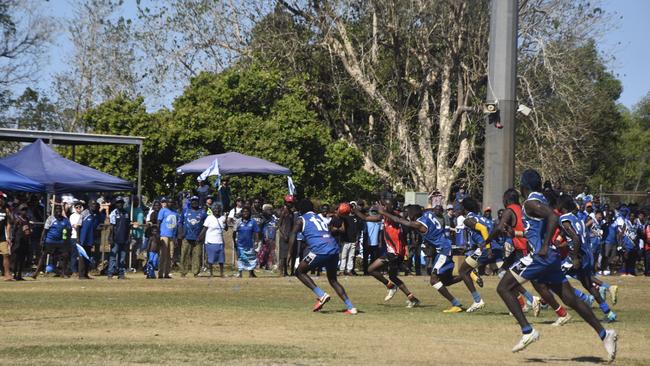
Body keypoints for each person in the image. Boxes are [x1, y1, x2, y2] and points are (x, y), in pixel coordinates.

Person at [495, 169, 616, 361]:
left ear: (522, 186)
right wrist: (514, 233)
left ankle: (528, 331)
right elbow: (536, 230)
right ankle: (604, 333)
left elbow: (553, 217)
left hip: (539, 257)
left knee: (503, 287)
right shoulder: (539, 199)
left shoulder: (530, 203)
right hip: (550, 257)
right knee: (571, 299)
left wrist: (543, 246)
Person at [382, 204, 462, 311]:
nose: (407, 214)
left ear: (413, 214)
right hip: (444, 247)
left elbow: (401, 221)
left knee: (434, 280)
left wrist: (383, 212)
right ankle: (467, 274)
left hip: (443, 249)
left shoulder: (419, 224)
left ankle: (456, 304)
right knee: (446, 280)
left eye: (408, 212)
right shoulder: (428, 214)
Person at [288, 199, 357, 314]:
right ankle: (351, 307)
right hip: (333, 248)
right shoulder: (320, 217)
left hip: (319, 249)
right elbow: (329, 230)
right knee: (333, 280)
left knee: (299, 272)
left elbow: (293, 235)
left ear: (301, 210)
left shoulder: (301, 220)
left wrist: (290, 253)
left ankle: (321, 295)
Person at [556, 194, 617, 323]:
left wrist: (573, 257)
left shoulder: (563, 219)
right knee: (588, 284)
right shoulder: (577, 219)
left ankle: (582, 298)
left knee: (553, 277)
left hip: (579, 255)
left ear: (562, 205)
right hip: (587, 255)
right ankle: (609, 313)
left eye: (558, 203)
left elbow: (576, 238)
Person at [354, 198, 420, 308]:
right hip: (393, 252)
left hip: (396, 252)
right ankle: (412, 298)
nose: (383, 207)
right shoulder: (384, 216)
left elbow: (395, 219)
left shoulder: (397, 216)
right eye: (383, 206)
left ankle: (391, 287)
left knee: (371, 269)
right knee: (393, 277)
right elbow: (366, 218)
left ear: (391, 207)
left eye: (385, 206)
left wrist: (382, 211)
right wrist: (355, 210)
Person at [456, 197, 503, 312]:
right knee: (505, 274)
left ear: (465, 208)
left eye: (461, 207)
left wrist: (487, 248)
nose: (459, 209)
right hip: (497, 247)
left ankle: (477, 301)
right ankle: (530, 299)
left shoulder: (468, 219)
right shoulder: (483, 218)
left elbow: (482, 230)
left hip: (487, 249)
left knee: (463, 271)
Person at [33, 204, 71, 279]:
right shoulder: (50, 219)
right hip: (50, 241)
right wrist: (42, 240)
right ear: (54, 211)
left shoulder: (65, 220)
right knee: (43, 256)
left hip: (61, 242)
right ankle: (36, 272)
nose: (58, 211)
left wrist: (67, 236)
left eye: (60, 209)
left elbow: (69, 229)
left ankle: (63, 273)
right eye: (57, 209)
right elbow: (45, 230)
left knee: (65, 255)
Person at [179, 196, 206, 277]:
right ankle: (183, 272)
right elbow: (180, 222)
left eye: (196, 201)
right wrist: (181, 233)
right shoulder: (185, 211)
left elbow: (206, 224)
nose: (194, 202)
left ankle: (195, 272)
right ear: (190, 202)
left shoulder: (202, 212)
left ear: (198, 202)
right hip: (186, 237)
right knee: (184, 254)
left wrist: (201, 236)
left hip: (198, 238)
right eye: (193, 201)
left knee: (197, 255)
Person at [200, 204, 228, 277]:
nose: (217, 210)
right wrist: (199, 237)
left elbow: (226, 228)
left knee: (221, 259)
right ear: (212, 210)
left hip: (220, 241)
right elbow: (204, 229)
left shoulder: (222, 218)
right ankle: (211, 273)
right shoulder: (209, 218)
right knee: (210, 259)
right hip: (210, 242)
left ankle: (221, 273)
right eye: (215, 209)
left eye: (218, 209)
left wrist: (226, 221)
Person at [108, 198, 131, 279]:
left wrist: (128, 237)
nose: (120, 204)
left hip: (124, 238)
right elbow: (112, 227)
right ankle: (110, 273)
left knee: (122, 258)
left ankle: (121, 274)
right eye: (118, 203)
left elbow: (128, 226)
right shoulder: (113, 213)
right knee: (113, 257)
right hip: (115, 238)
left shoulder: (126, 213)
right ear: (116, 204)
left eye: (121, 203)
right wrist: (111, 238)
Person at [234, 206, 260, 278]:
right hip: (240, 244)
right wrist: (234, 242)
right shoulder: (238, 222)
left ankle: (251, 273)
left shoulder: (253, 222)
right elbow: (234, 232)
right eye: (244, 212)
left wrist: (256, 241)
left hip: (250, 244)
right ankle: (240, 273)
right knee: (240, 258)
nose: (245, 213)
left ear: (250, 213)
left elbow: (256, 232)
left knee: (251, 258)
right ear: (241, 213)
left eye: (247, 211)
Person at [77, 201, 100, 279]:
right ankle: (81, 275)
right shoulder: (85, 213)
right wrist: (78, 238)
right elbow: (78, 226)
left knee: (87, 257)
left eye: (96, 205)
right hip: (83, 239)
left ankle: (86, 274)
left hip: (90, 240)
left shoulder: (97, 215)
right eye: (93, 204)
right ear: (89, 205)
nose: (94, 206)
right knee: (82, 257)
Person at [158, 199, 179, 279]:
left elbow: (176, 226)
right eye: (169, 202)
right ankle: (160, 273)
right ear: (166, 203)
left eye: (172, 202)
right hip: (164, 235)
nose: (170, 203)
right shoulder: (163, 211)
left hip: (172, 236)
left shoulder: (175, 213)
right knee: (163, 254)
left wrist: (175, 237)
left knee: (170, 255)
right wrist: (158, 234)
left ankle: (167, 273)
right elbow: (159, 222)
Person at [338, 203, 360, 276]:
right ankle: (342, 270)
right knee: (343, 256)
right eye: (351, 207)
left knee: (351, 256)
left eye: (354, 207)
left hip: (353, 240)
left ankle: (349, 270)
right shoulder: (345, 217)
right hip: (345, 240)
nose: (352, 209)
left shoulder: (356, 218)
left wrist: (357, 239)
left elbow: (357, 230)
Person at [11, 204, 31, 280]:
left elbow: (28, 229)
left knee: (22, 259)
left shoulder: (27, 219)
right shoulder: (18, 220)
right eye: (23, 210)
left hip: (25, 241)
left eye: (26, 210)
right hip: (18, 241)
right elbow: (14, 230)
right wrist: (13, 239)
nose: (25, 211)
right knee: (16, 258)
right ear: (20, 211)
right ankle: (14, 274)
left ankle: (19, 274)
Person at [277, 195, 295, 276]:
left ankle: (286, 271)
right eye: (288, 202)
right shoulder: (283, 211)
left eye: (291, 203)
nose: (289, 204)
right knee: (282, 255)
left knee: (289, 254)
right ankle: (281, 271)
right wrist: (284, 235)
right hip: (284, 235)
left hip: (290, 235)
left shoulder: (291, 212)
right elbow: (279, 225)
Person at [144, 200, 162, 279]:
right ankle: (149, 273)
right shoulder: (152, 214)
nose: (157, 207)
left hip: (158, 236)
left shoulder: (161, 213)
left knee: (155, 262)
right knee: (150, 260)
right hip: (152, 237)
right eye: (155, 205)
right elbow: (150, 224)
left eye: (158, 205)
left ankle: (152, 273)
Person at [0, 192, 13, 281]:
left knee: (6, 255)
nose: (1, 200)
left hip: (2, 237)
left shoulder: (5, 210)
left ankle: (7, 274)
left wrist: (8, 237)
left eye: (2, 198)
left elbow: (8, 224)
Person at [68, 201, 84, 276]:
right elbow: (74, 226)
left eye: (80, 207)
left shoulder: (82, 216)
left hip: (82, 237)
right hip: (74, 237)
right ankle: (74, 270)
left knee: (81, 255)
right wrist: (79, 226)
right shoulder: (72, 216)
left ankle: (80, 270)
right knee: (74, 255)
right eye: (77, 207)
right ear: (74, 208)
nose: (78, 208)